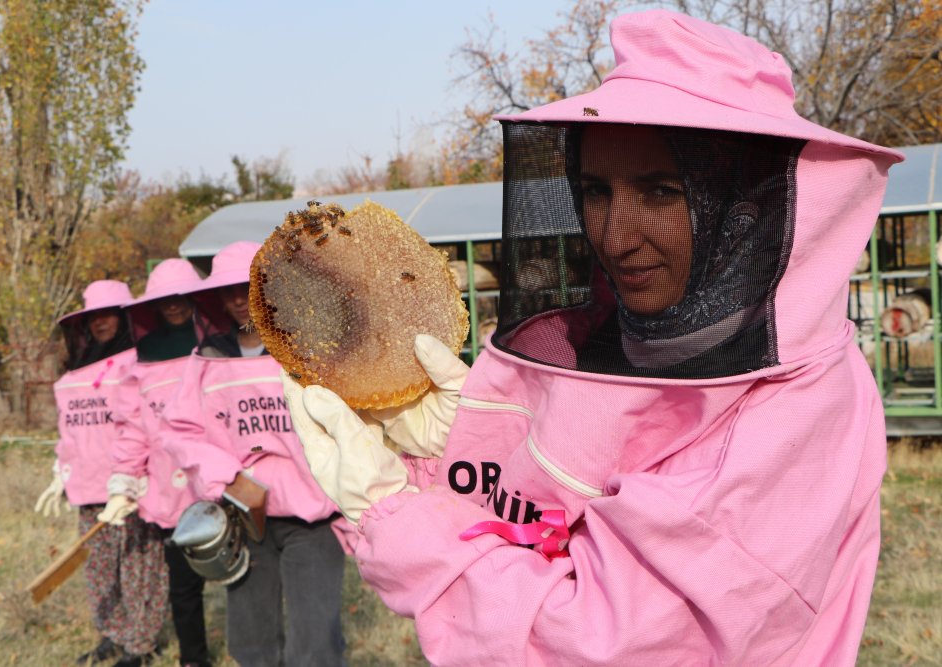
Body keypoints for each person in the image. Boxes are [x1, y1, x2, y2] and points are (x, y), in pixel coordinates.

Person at [283, 9, 905, 666]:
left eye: (662, 191)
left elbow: (599, 643)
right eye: (595, 190)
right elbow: (549, 523)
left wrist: (394, 516)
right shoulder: (633, 341)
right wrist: (456, 451)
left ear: (744, 210)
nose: (613, 235)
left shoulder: (796, 409)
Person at [162, 241, 348, 667]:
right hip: (244, 516)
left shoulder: (307, 351)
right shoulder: (206, 360)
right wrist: (225, 475)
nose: (236, 300)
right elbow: (179, 428)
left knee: (315, 645)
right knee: (251, 644)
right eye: (225, 292)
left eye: (245, 289)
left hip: (313, 519)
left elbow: (349, 426)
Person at [34, 280, 158, 666]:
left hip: (131, 487)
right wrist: (60, 473)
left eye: (109, 314)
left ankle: (140, 646)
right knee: (101, 571)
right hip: (87, 488)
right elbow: (69, 430)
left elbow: (146, 424)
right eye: (94, 317)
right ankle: (112, 634)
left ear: (124, 318)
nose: (101, 323)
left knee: (139, 568)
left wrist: (136, 481)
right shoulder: (75, 370)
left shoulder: (141, 362)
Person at [99, 259, 212, 667]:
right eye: (167, 300)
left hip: (223, 484)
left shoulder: (219, 345)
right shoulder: (141, 360)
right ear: (155, 306)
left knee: (245, 579)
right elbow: (134, 428)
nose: (176, 306)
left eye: (183, 297)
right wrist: (123, 482)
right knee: (183, 588)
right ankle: (193, 659)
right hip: (170, 489)